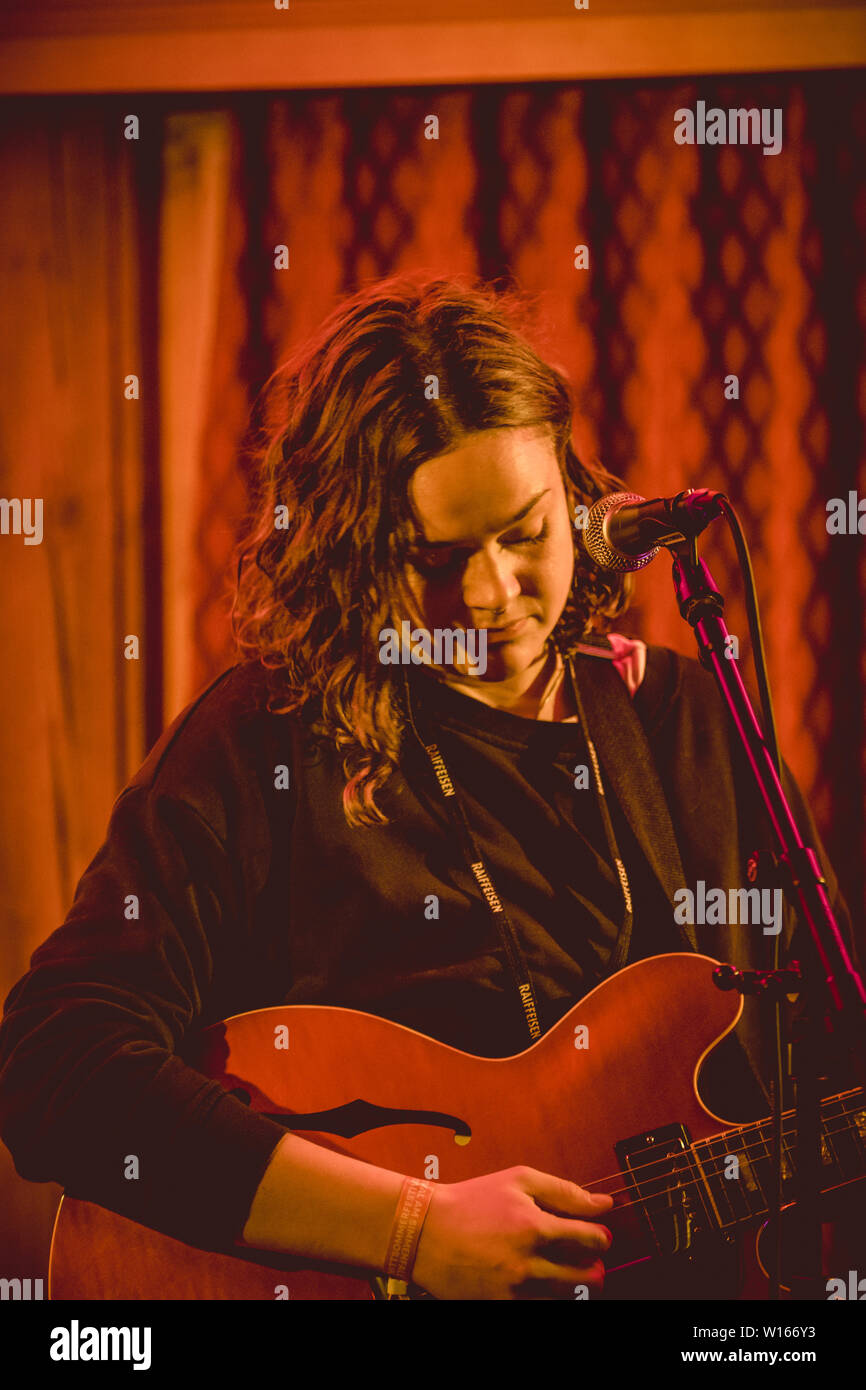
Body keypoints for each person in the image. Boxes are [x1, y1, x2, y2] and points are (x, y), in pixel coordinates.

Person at [0, 274, 858, 1301]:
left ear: (580, 503)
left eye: (524, 533)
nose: (491, 595)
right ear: (351, 558)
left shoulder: (687, 719)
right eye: (434, 560)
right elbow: (57, 1063)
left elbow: (822, 1055)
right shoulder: (265, 742)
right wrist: (408, 1228)